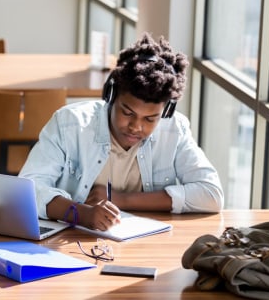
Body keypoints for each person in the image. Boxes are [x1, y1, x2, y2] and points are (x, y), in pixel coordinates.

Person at [19, 33, 224, 231]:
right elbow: (28, 190)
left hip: (144, 246)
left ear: (166, 111)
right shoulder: (69, 124)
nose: (136, 126)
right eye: (127, 112)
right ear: (111, 95)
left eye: (150, 119)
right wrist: (82, 214)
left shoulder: (174, 130)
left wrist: (121, 199)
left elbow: (211, 194)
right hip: (75, 243)